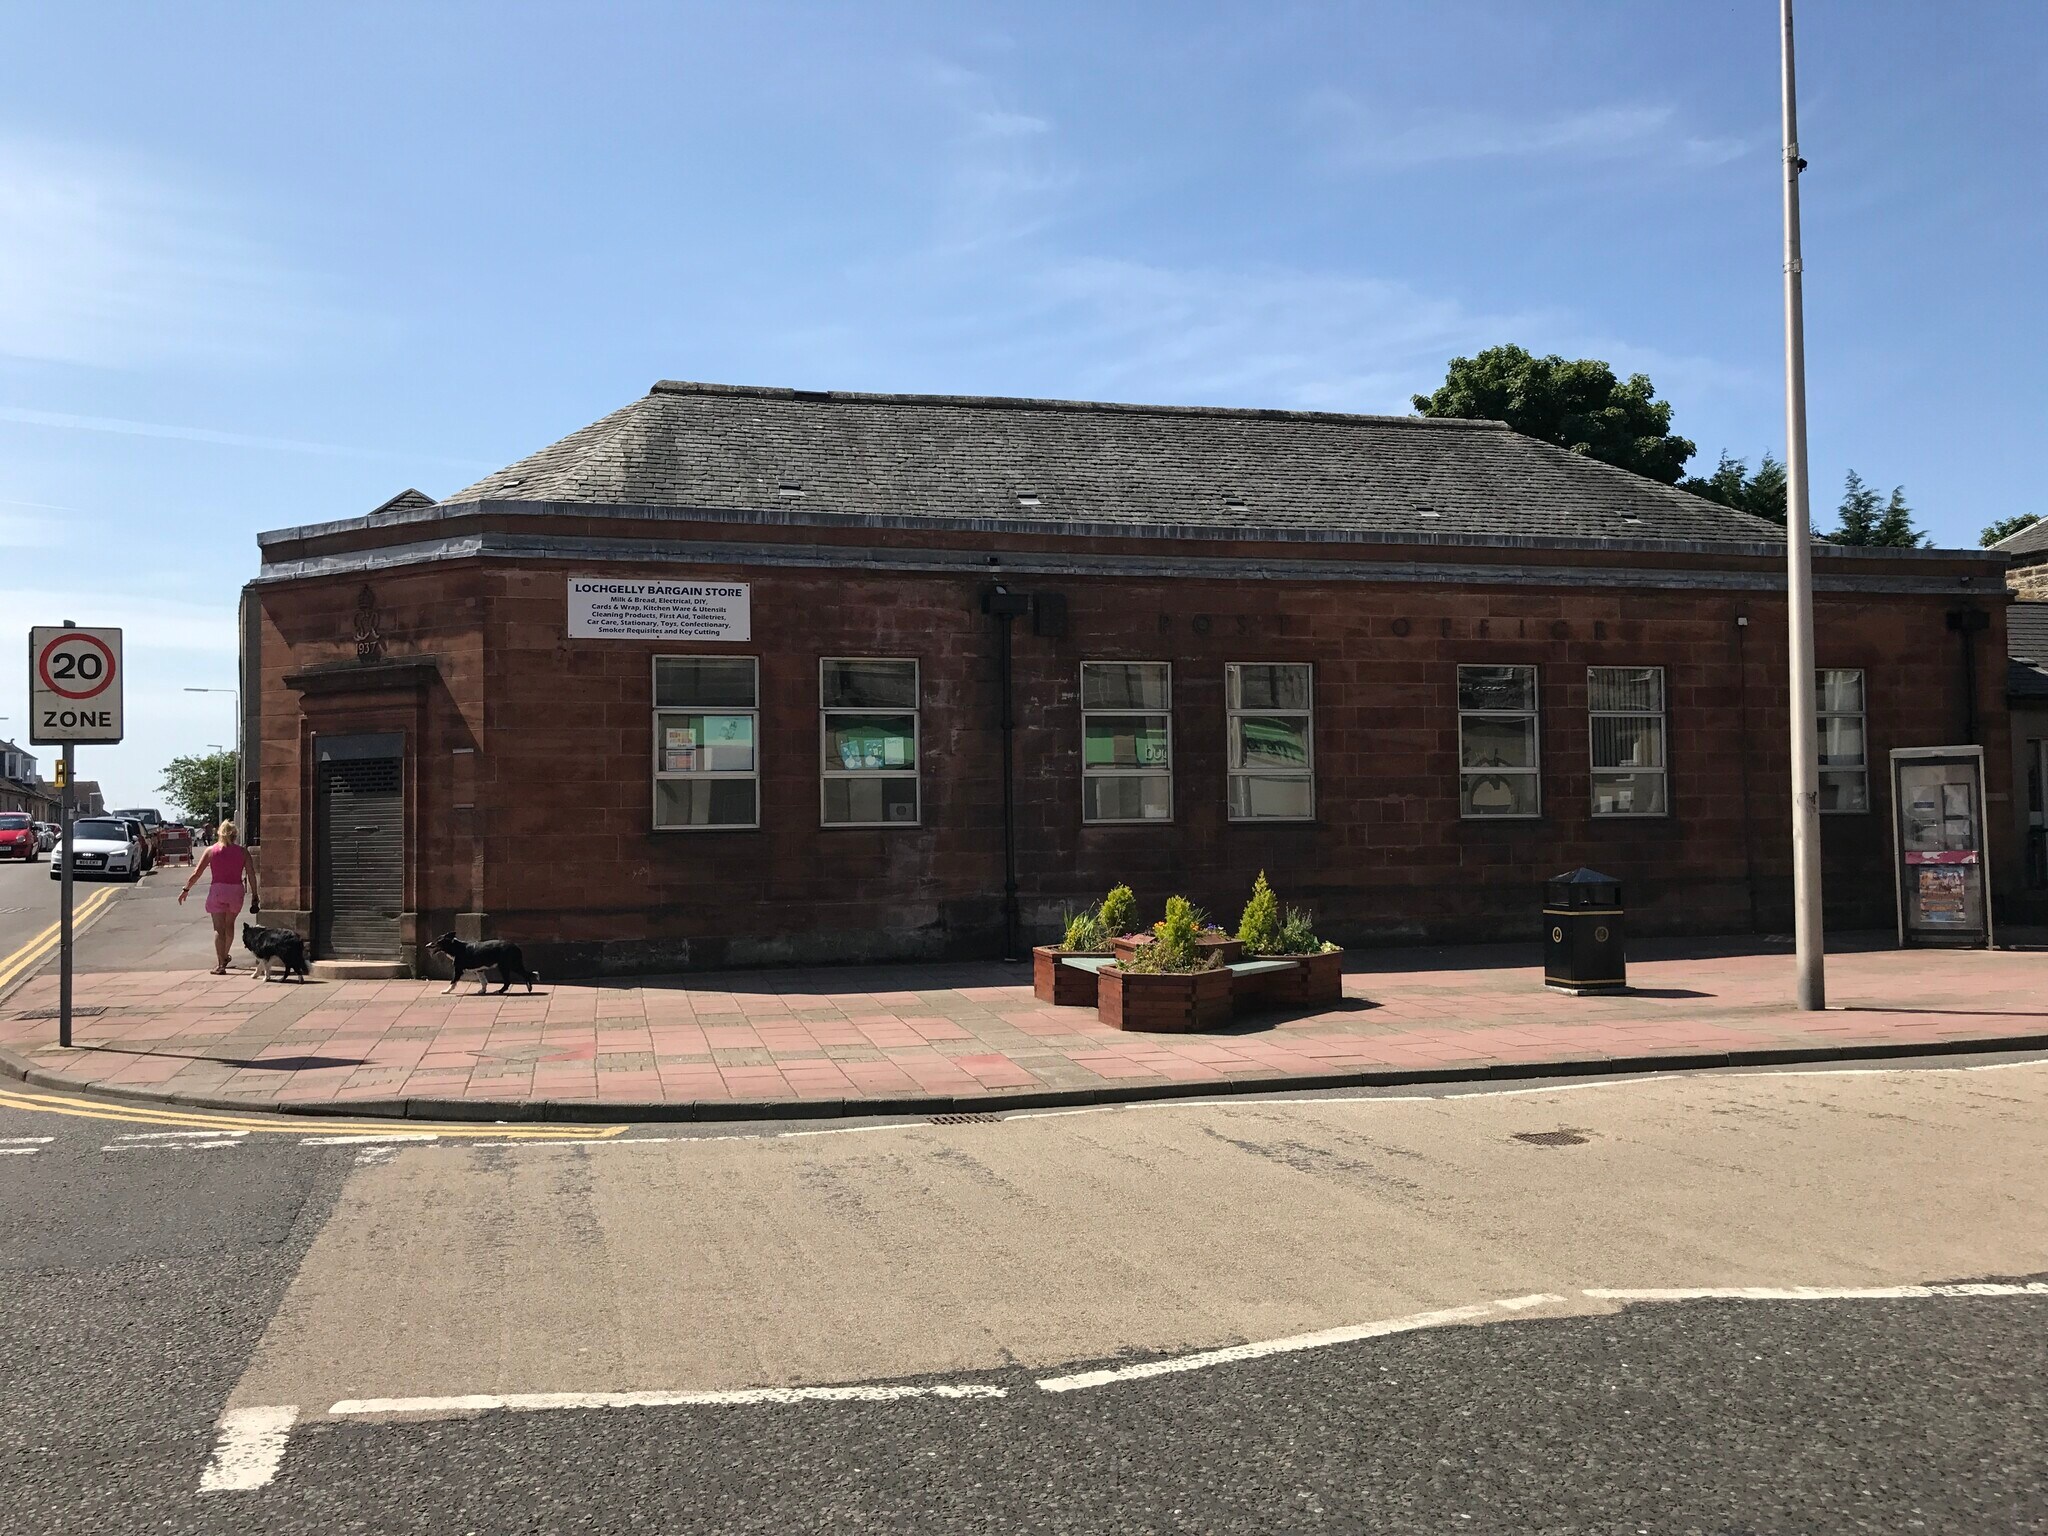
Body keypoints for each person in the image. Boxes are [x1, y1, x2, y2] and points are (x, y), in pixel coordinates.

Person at [178, 820, 261, 975]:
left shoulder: (211, 851)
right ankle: (225, 956)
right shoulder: (243, 852)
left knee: (218, 928)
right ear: (235, 835)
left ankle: (220, 964)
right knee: (229, 925)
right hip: (236, 891)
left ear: (219, 834)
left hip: (217, 891)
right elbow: (251, 874)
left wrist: (186, 889)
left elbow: (197, 872)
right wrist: (255, 894)